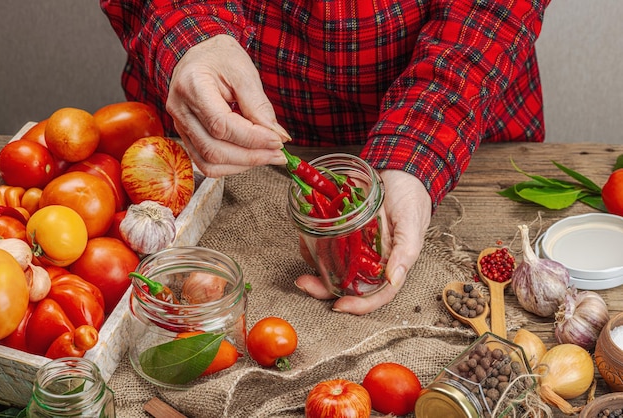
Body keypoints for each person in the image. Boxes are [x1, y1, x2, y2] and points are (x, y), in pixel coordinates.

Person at [100, 0, 549, 315]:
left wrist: (417, 150)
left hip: (447, 100)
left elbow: (493, 10)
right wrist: (191, 39)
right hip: (222, 114)